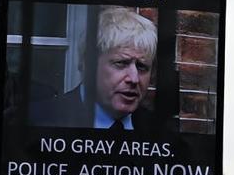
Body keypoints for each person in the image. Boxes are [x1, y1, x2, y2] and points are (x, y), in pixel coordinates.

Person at [28, 7, 157, 131]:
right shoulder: (37, 120)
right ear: (88, 64)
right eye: (121, 63)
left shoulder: (158, 128)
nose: (134, 79)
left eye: (142, 67)